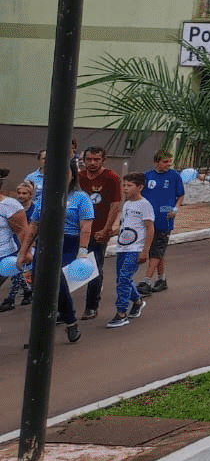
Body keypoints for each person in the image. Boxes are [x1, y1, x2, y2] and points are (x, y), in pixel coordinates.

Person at [18, 173, 93, 343]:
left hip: (69, 244)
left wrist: (82, 251)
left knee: (57, 281)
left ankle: (70, 321)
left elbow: (86, 226)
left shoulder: (81, 197)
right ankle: (39, 332)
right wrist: (23, 252)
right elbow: (34, 225)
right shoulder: (45, 197)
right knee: (38, 288)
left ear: (73, 175)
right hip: (45, 243)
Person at [76, 146, 121, 321]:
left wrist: (106, 229)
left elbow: (115, 205)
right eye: (89, 159)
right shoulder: (79, 177)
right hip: (77, 231)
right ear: (84, 160)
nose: (92, 163)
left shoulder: (111, 178)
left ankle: (91, 306)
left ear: (103, 160)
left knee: (94, 268)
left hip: (98, 232)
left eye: (96, 159)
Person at [105, 173, 152, 328]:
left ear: (140, 187)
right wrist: (113, 232)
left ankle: (121, 313)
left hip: (135, 248)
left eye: (129, 185)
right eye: (124, 185)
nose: (125, 188)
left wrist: (145, 250)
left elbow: (149, 228)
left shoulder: (145, 205)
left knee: (124, 278)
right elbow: (125, 225)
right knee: (121, 279)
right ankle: (137, 301)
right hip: (122, 247)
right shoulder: (127, 205)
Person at [138, 149, 185, 295]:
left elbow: (181, 195)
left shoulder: (174, 176)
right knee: (158, 250)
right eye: (165, 162)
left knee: (157, 249)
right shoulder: (147, 176)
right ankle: (162, 279)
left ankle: (146, 280)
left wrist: (175, 210)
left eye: (170, 161)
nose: (169, 164)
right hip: (148, 219)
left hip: (165, 219)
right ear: (156, 162)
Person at [0, 180, 34, 310]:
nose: (21, 196)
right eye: (19, 193)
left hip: (5, 254)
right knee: (17, 273)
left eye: (24, 193)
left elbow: (23, 231)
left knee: (15, 270)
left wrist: (26, 252)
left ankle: (10, 299)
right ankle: (27, 290)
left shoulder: (10, 205)